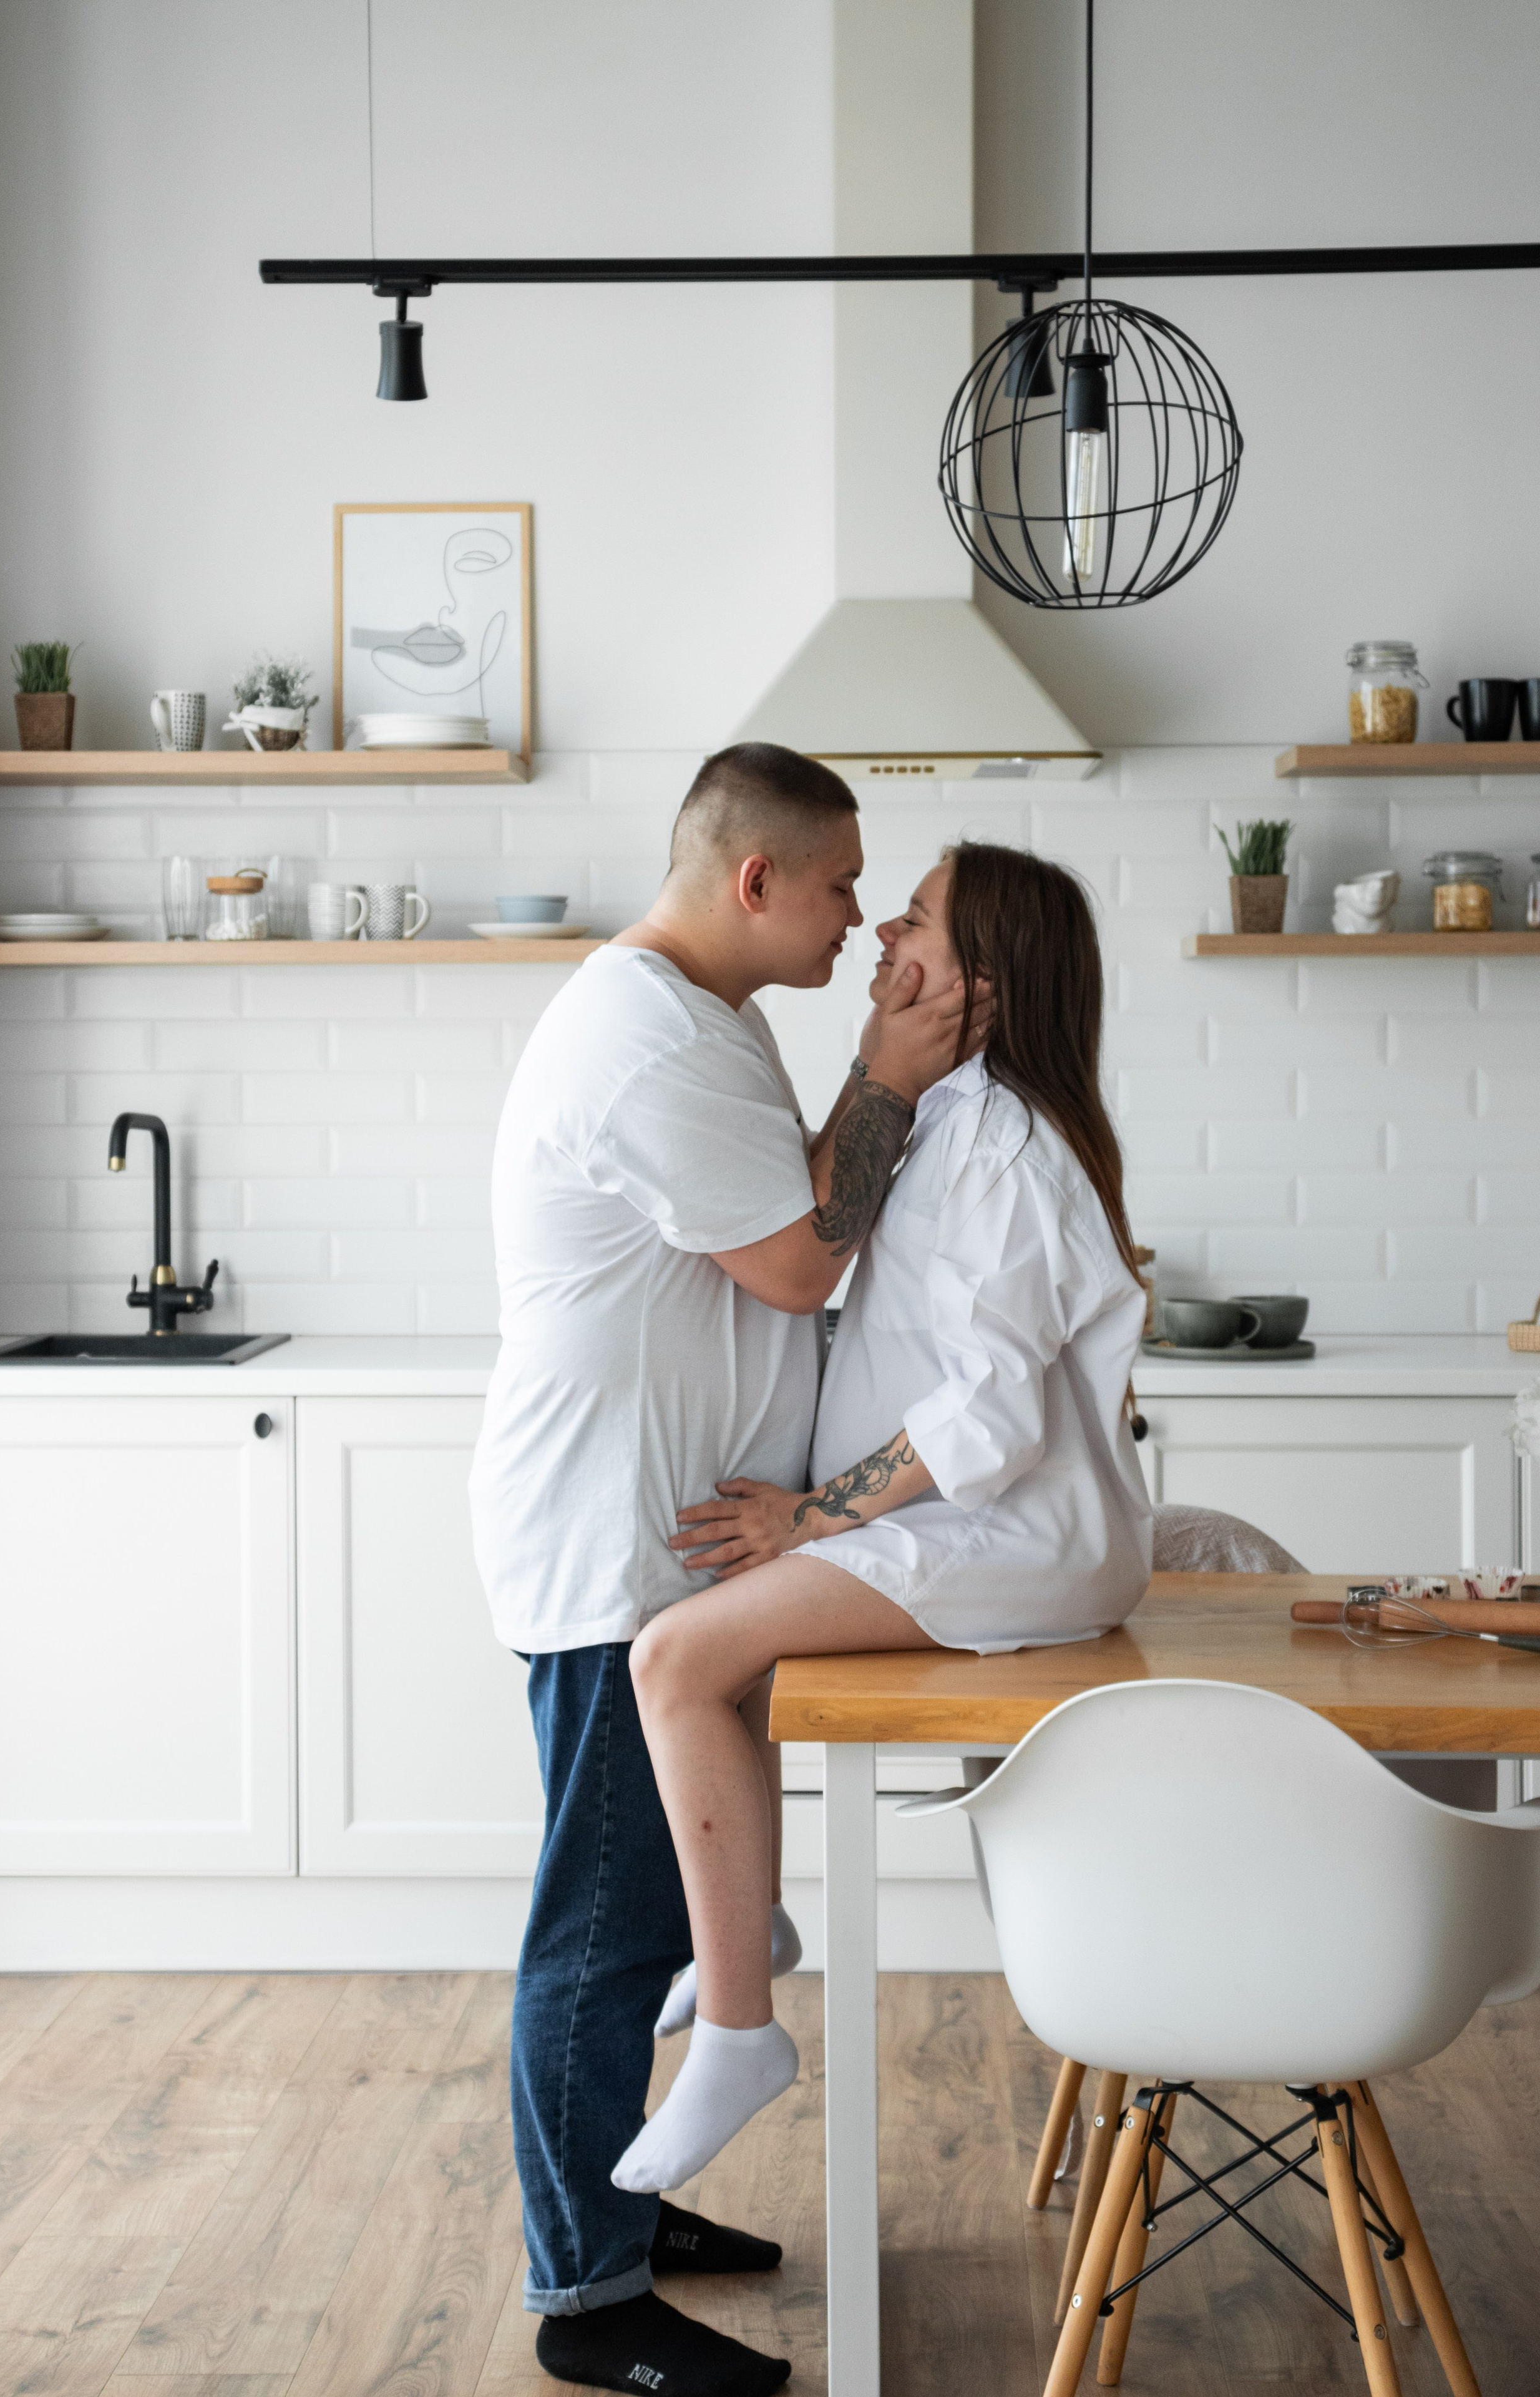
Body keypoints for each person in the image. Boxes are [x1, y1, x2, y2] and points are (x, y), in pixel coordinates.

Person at [470, 743, 971, 2397]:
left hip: (679, 1548)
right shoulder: (647, 1042)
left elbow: (797, 1200)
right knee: (606, 1933)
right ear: (756, 879)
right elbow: (799, 1262)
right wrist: (890, 1063)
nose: (856, 916)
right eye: (839, 884)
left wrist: (876, 1082)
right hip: (617, 1550)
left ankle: (624, 2203)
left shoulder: (705, 1014)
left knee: (657, 1911)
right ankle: (586, 2295)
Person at [614, 842, 1153, 2197]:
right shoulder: (959, 1116)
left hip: (1014, 1531)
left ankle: (739, 2033)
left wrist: (811, 1515)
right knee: (717, 1644)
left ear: (980, 982)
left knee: (674, 1658)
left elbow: (990, 1417)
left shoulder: (1004, 1146)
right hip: (985, 1520)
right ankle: (746, 1939)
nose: (879, 930)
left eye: (911, 917)